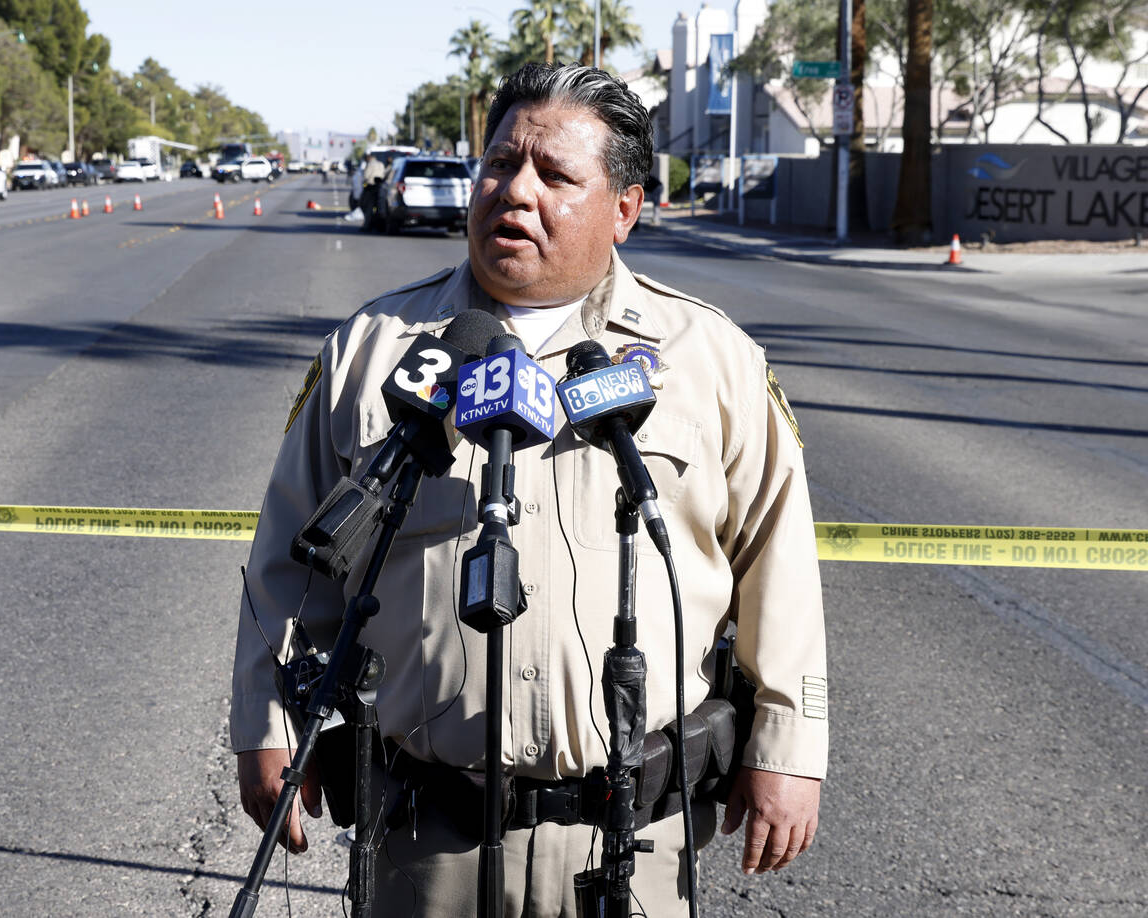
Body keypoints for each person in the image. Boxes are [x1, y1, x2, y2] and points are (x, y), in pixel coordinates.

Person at [233, 62, 827, 917]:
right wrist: (267, 720)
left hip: (636, 838)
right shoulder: (374, 348)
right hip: (423, 834)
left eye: (554, 176)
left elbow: (781, 560)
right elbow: (287, 561)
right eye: (501, 165)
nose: (515, 192)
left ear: (624, 208)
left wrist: (790, 745)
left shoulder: (710, 357)